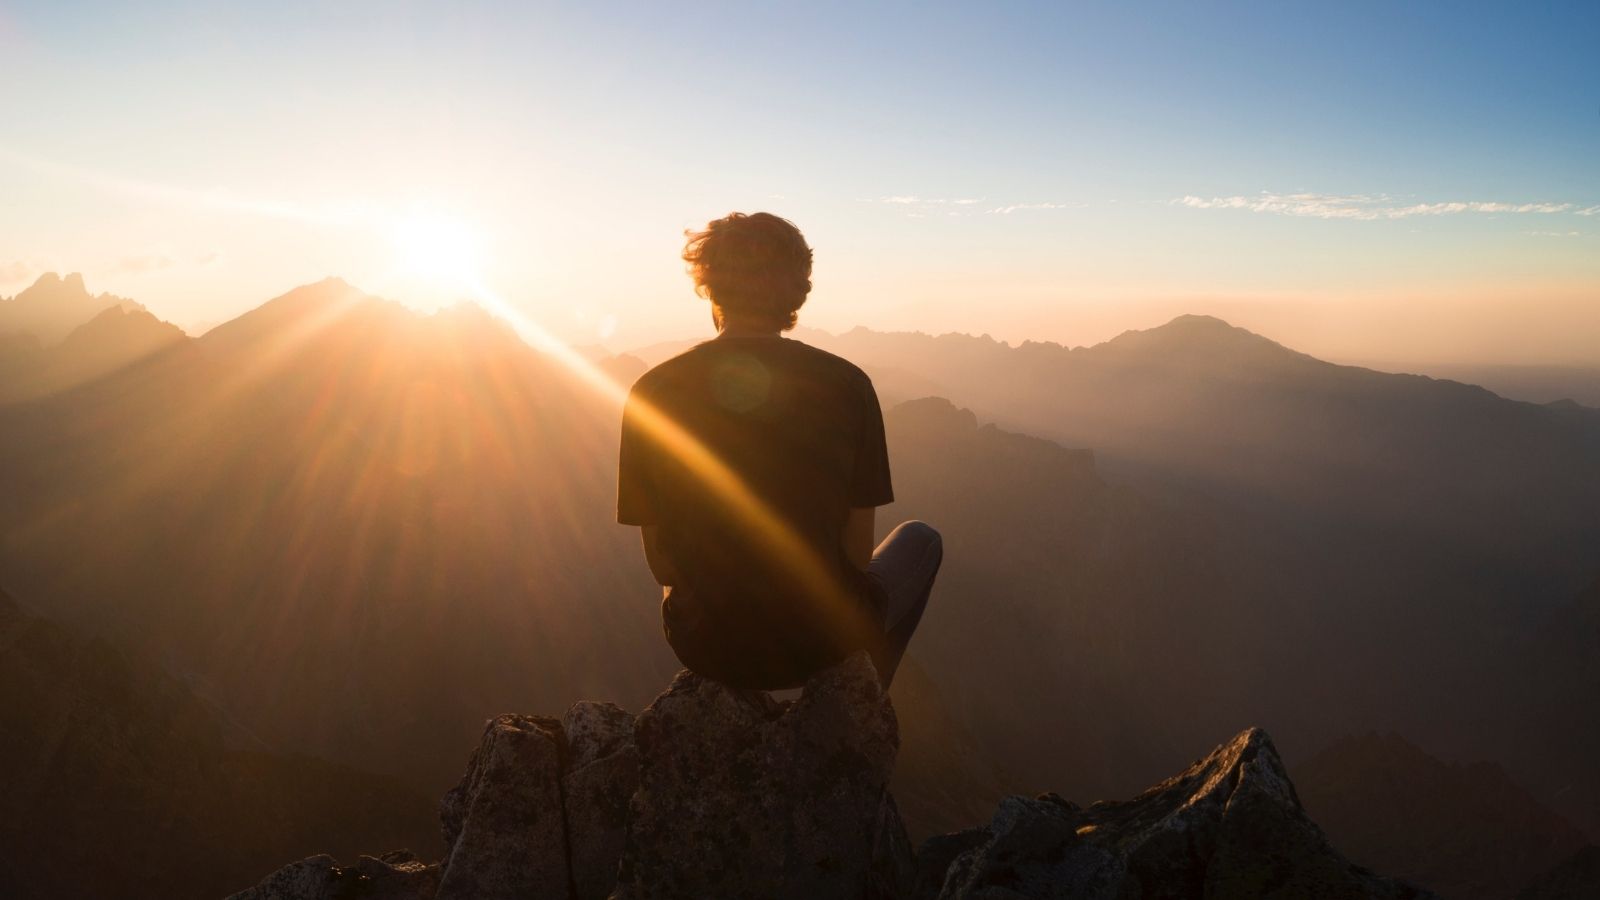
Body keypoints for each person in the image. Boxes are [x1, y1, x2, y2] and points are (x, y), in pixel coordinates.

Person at [616, 212, 941, 692]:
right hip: (819, 643)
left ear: (709, 284)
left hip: (704, 646)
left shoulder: (652, 390)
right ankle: (863, 694)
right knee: (921, 540)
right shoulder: (848, 386)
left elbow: (663, 566)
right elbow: (854, 556)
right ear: (798, 290)